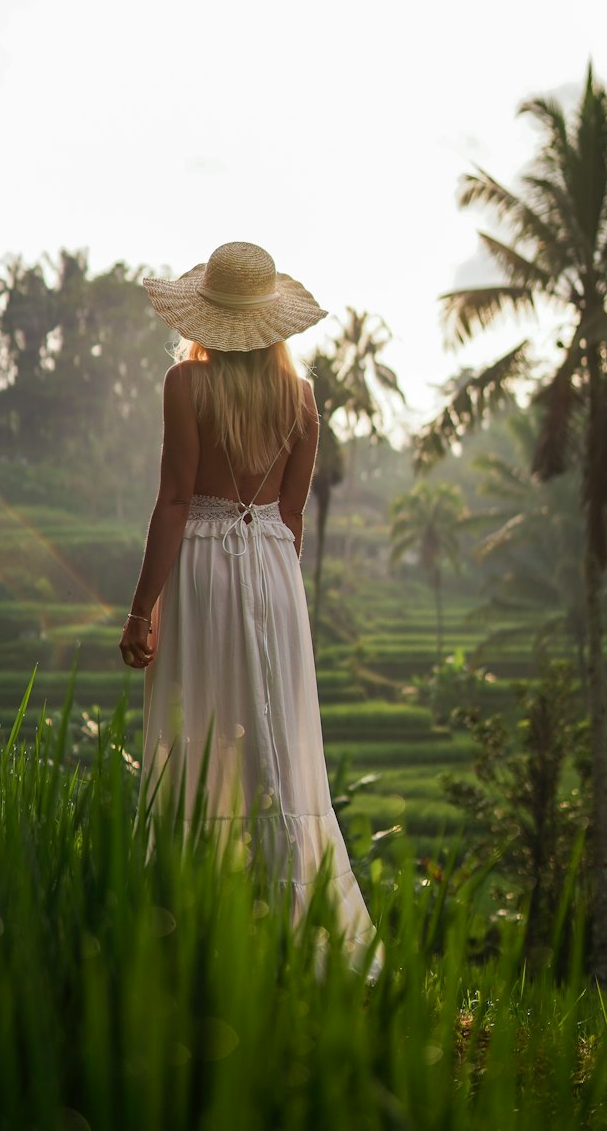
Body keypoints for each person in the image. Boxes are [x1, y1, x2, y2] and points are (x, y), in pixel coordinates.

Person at [119, 241, 383, 981]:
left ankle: (193, 927)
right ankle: (297, 929)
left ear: (207, 315)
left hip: (201, 564)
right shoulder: (300, 400)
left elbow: (175, 500)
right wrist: (268, 598)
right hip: (272, 570)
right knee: (277, 740)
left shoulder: (185, 385)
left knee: (197, 732)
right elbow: (290, 519)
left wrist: (145, 610)